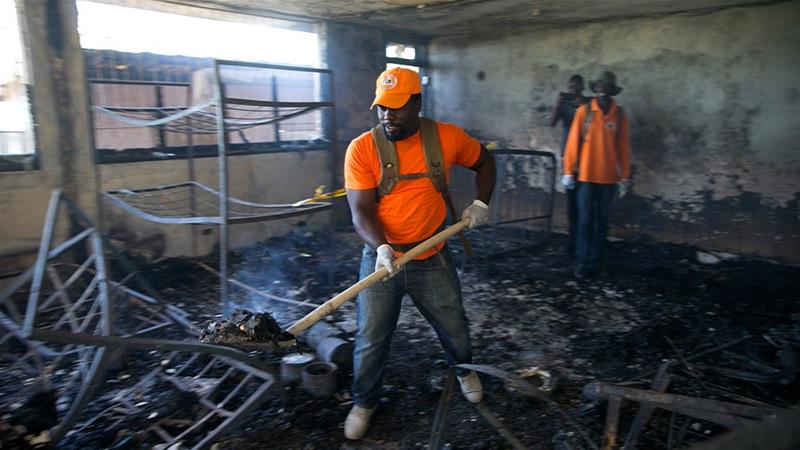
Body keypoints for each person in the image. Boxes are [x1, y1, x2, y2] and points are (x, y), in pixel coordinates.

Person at [343, 67, 496, 440]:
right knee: (371, 336)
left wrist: (480, 202)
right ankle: (364, 402)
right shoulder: (363, 148)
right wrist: (381, 247)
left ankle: (464, 370)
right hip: (382, 257)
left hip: (433, 254)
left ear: (417, 103)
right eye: (382, 107)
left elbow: (485, 162)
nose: (387, 115)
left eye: (396, 107)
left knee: (454, 325)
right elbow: (360, 210)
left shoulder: (447, 138)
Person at [561, 71, 630, 280]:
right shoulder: (585, 111)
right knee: (584, 221)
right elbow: (573, 142)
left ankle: (596, 261)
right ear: (596, 88)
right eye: (600, 85)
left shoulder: (619, 114)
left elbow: (623, 147)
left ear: (612, 89)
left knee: (601, 222)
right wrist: (568, 171)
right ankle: (582, 263)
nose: (603, 88)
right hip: (585, 177)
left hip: (608, 179)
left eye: (608, 85)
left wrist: (624, 175)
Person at [549, 74, 590, 254]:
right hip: (569, 160)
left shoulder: (590, 103)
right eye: (571, 87)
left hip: (589, 159)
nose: (574, 90)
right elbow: (550, 123)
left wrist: (582, 104)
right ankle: (572, 241)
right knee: (571, 203)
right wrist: (557, 104)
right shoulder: (564, 104)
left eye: (577, 87)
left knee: (587, 204)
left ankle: (586, 242)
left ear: (583, 88)